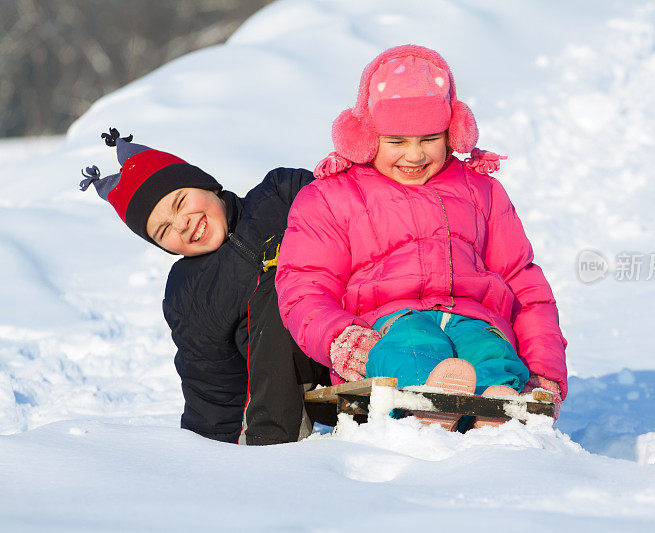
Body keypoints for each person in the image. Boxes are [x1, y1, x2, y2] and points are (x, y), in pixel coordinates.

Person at [275, 45, 567, 430]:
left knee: (493, 351)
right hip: (387, 325)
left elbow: (525, 285)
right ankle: (427, 409)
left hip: (476, 319)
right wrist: (344, 340)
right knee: (413, 345)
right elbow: (304, 287)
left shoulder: (481, 191)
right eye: (396, 142)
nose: (414, 156)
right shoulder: (331, 197)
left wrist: (545, 372)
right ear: (366, 137)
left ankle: (497, 409)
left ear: (451, 133)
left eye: (429, 139)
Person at [80, 128, 330, 444]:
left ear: (205, 184)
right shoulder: (189, 293)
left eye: (181, 202)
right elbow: (213, 388)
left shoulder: (281, 192)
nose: (182, 223)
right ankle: (269, 448)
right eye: (163, 230)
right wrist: (209, 458)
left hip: (366, 318)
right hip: (303, 385)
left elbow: (363, 217)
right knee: (273, 291)